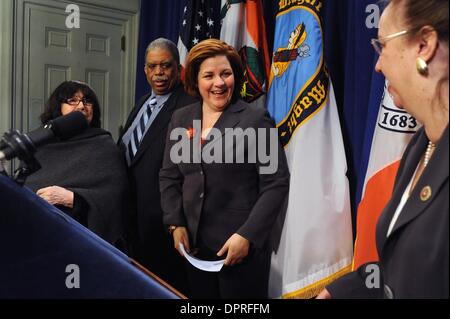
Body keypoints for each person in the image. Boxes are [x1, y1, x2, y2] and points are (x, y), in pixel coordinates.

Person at [318, 0, 448, 299]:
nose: (377, 65)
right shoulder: (420, 144)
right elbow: (405, 262)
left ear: (424, 45)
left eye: (383, 46)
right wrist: (345, 290)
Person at [159, 38, 290, 298]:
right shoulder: (180, 118)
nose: (219, 83)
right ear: (196, 80)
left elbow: (276, 182)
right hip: (194, 250)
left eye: (226, 74)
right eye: (209, 75)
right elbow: (169, 176)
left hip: (240, 252)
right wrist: (175, 224)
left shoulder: (255, 120)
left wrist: (248, 236)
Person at [118, 38, 196, 294]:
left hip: (163, 223)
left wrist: (176, 221)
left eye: (166, 66)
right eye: (153, 67)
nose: (159, 73)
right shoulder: (142, 102)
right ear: (145, 70)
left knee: (163, 288)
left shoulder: (189, 107)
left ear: (178, 68)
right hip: (132, 218)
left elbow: (189, 172)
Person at [25, 80, 129, 248]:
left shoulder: (104, 146)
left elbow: (116, 200)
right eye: (72, 100)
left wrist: (74, 199)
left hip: (80, 240)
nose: (82, 106)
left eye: (87, 101)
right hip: (36, 234)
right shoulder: (39, 143)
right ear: (58, 107)